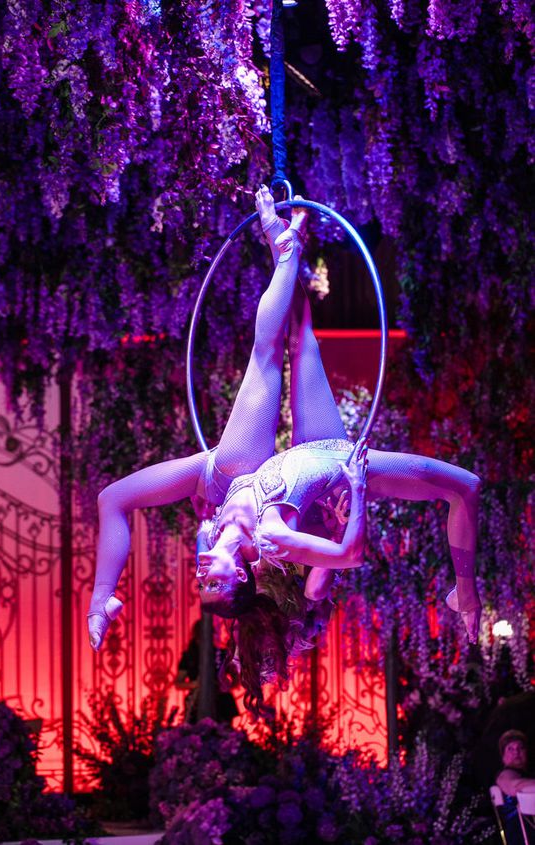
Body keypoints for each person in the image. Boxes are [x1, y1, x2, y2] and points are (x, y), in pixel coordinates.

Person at [88, 186, 482, 718]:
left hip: (232, 473)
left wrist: (102, 597)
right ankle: (466, 594)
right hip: (333, 461)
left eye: (198, 581)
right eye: (215, 580)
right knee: (465, 484)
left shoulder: (210, 524)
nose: (202, 571)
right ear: (245, 570)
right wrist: (359, 490)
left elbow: (117, 503)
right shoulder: (274, 540)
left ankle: (288, 249)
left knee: (264, 356)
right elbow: (346, 556)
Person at [496, 730, 535, 845]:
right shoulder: (505, 774)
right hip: (522, 836)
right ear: (503, 757)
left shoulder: (528, 774)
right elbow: (515, 787)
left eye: (520, 748)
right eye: (510, 749)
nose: (516, 752)